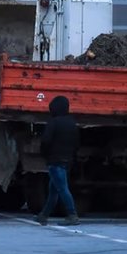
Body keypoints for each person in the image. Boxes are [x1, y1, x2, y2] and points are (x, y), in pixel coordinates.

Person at [36, 95, 80, 226]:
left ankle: (72, 214)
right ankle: (43, 215)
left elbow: (46, 141)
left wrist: (44, 154)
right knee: (54, 190)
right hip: (67, 160)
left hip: (55, 160)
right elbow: (77, 143)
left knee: (61, 189)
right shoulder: (72, 123)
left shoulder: (53, 122)